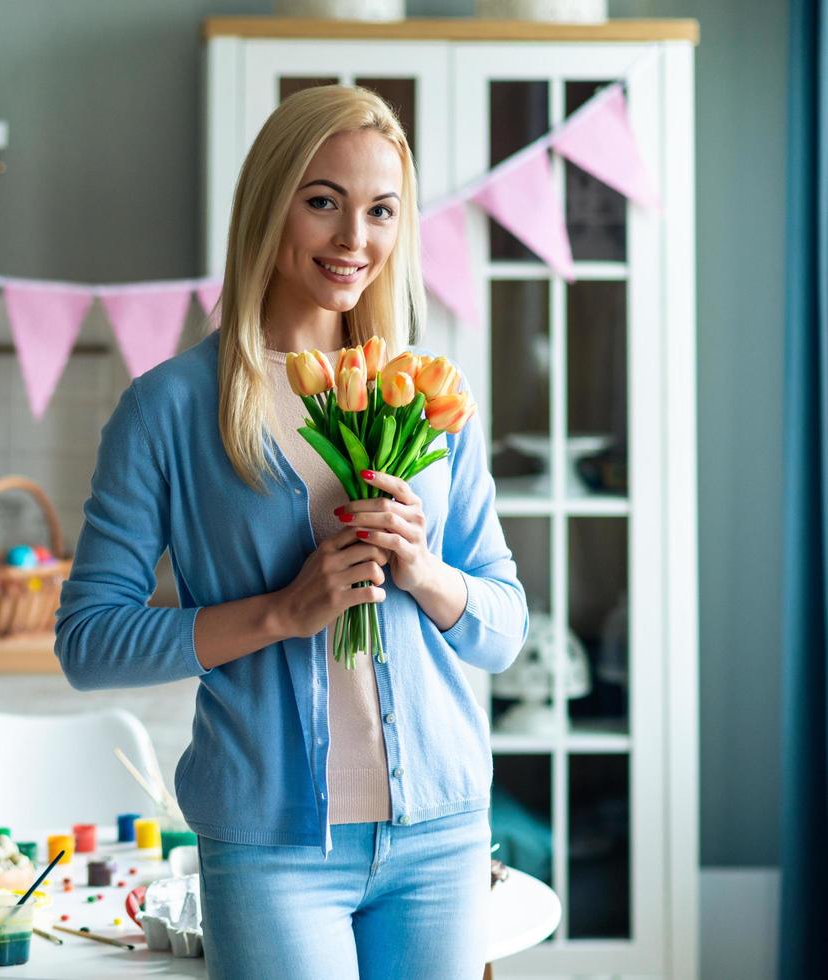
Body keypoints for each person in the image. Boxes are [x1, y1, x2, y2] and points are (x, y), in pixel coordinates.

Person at [53, 84, 528, 978]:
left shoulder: (429, 395)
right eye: (323, 202)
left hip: (441, 835)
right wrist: (280, 612)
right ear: (269, 206)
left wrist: (425, 572)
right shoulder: (170, 408)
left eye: (380, 211)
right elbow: (89, 642)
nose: (354, 240)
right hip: (271, 851)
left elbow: (503, 630)